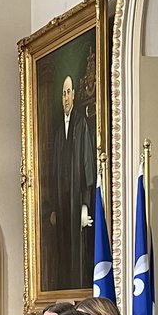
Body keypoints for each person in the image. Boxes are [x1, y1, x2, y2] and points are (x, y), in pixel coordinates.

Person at [49, 74, 95, 290]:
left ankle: (77, 285)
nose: (66, 98)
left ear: (75, 95)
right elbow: (53, 172)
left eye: (69, 92)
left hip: (77, 200)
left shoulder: (80, 124)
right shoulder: (59, 133)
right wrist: (53, 207)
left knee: (77, 248)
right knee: (62, 247)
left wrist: (85, 204)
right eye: (63, 93)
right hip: (61, 201)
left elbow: (88, 166)